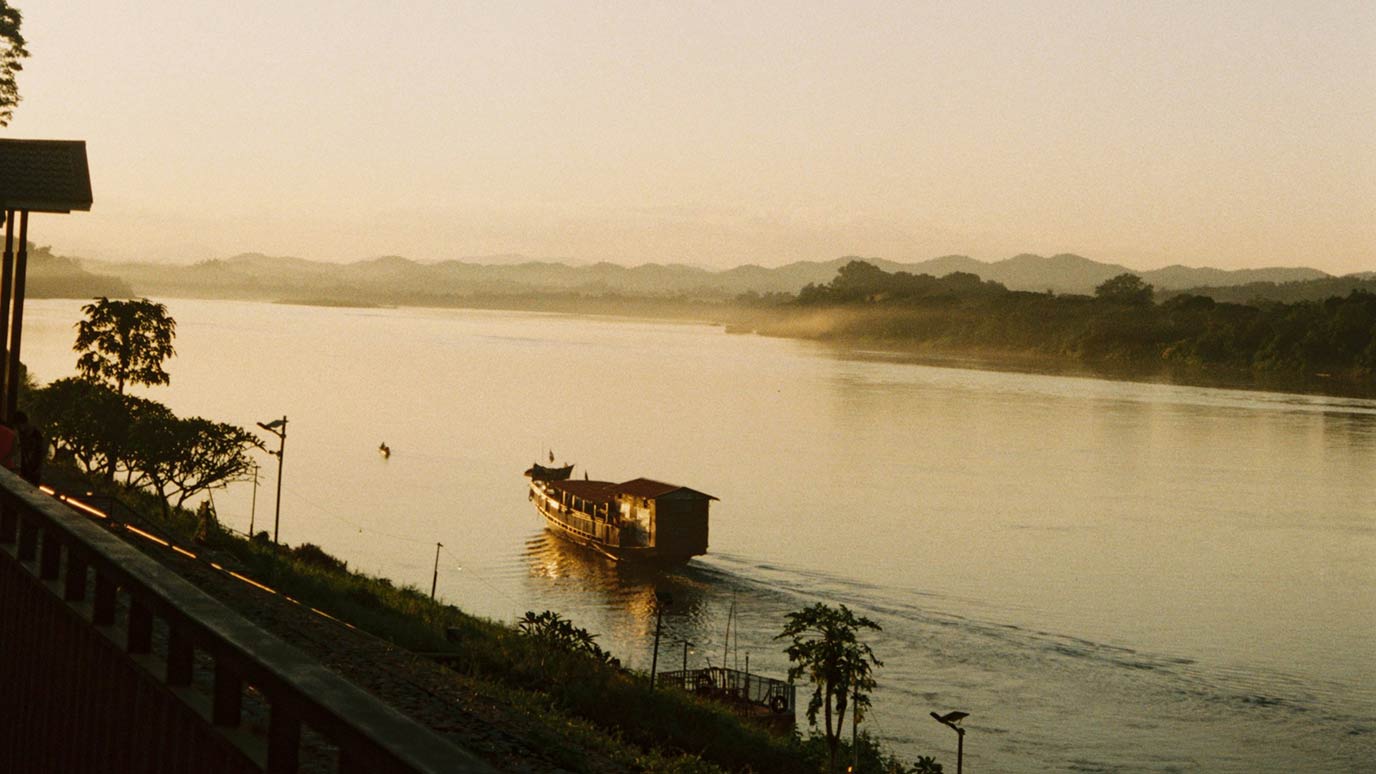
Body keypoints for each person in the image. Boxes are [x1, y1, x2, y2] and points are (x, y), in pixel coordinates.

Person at [13, 411, 43, 485]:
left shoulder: (36, 435)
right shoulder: (22, 434)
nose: (18, 428)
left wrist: (38, 468)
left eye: (18, 425)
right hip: (25, 470)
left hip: (34, 470)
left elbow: (40, 453)